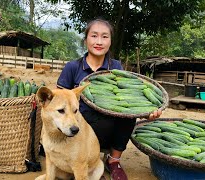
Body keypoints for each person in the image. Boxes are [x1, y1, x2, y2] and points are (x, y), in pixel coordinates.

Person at [57, 18, 162, 180]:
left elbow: (127, 98)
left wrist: (146, 111)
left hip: (108, 127)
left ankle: (113, 160)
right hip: (79, 128)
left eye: (105, 37)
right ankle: (87, 163)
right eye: (94, 36)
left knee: (128, 115)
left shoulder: (116, 68)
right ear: (86, 40)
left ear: (111, 41)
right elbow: (59, 101)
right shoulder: (73, 67)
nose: (99, 41)